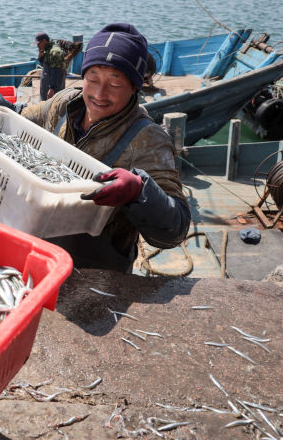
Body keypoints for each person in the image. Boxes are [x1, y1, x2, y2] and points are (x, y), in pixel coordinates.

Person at [21, 23, 190, 272]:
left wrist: (139, 192)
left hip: (96, 272)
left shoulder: (149, 141)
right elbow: (22, 121)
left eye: (115, 84)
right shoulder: (63, 104)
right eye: (93, 79)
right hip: (40, 247)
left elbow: (175, 231)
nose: (100, 93)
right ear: (83, 77)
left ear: (134, 87)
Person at [34, 32, 66, 101]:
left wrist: (52, 89)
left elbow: (56, 71)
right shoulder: (48, 51)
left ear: (44, 41)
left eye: (38, 43)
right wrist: (41, 54)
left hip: (54, 91)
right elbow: (45, 66)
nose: (37, 45)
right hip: (45, 88)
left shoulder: (55, 52)